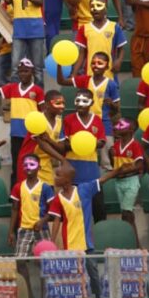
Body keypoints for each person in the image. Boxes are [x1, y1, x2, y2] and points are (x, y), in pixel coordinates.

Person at [48, 163, 121, 298]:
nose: (55, 178)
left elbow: (102, 179)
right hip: (70, 245)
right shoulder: (58, 199)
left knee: (93, 273)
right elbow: (57, 220)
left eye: (58, 175)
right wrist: (52, 241)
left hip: (87, 244)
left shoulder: (84, 189)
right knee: (74, 277)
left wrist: (118, 170)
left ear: (67, 179)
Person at [0, 60, 44, 183]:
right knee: (16, 165)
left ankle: (29, 187)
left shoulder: (37, 90)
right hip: (16, 133)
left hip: (31, 135)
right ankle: (15, 190)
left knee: (30, 163)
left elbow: (43, 112)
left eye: (26, 71)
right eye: (20, 71)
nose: (23, 74)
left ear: (32, 72)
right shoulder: (12, 88)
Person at [58, 51, 120, 166]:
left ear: (107, 66)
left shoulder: (111, 84)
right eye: (93, 63)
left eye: (100, 63)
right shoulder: (85, 80)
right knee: (83, 152)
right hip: (84, 122)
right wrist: (59, 64)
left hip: (104, 123)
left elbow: (117, 109)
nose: (95, 66)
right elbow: (62, 81)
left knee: (107, 159)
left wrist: (112, 104)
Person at [9, 154, 55, 298]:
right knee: (20, 262)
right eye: (25, 164)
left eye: (32, 164)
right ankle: (30, 297)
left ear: (39, 167)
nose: (28, 167)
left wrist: (43, 221)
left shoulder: (45, 187)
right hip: (24, 229)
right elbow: (15, 209)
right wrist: (11, 231)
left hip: (42, 229)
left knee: (45, 263)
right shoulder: (18, 187)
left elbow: (53, 211)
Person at [58, 89, 107, 222]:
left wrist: (91, 143)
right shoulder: (68, 120)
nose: (80, 104)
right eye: (77, 100)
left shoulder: (97, 120)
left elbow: (102, 142)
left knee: (99, 210)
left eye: (84, 101)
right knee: (74, 212)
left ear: (91, 103)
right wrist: (77, 144)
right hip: (73, 172)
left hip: (92, 173)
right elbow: (64, 144)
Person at [4, 0, 46, 84]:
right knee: (15, 66)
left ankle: (39, 93)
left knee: (37, 67)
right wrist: (8, 0)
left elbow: (41, 2)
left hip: (36, 28)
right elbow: (12, 3)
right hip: (19, 28)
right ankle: (16, 93)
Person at [16, 90, 66, 186]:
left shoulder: (60, 122)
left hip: (46, 164)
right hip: (30, 162)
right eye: (58, 103)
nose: (62, 106)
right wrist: (63, 160)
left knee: (49, 190)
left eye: (63, 103)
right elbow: (42, 144)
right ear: (47, 104)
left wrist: (49, 140)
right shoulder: (37, 119)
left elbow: (61, 148)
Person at [72, 0, 127, 80]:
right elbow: (82, 53)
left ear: (105, 8)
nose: (95, 9)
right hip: (90, 74)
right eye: (92, 6)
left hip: (109, 75)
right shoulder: (84, 29)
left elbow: (121, 48)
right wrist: (74, 74)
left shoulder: (115, 27)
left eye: (98, 5)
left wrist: (119, 61)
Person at [110, 119, 144, 247]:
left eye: (121, 126)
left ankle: (136, 244)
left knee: (127, 213)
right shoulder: (115, 146)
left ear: (130, 129)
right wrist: (110, 155)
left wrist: (125, 169)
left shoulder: (135, 145)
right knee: (126, 214)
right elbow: (114, 165)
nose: (118, 127)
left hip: (131, 181)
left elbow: (139, 165)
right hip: (119, 182)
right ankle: (132, 242)